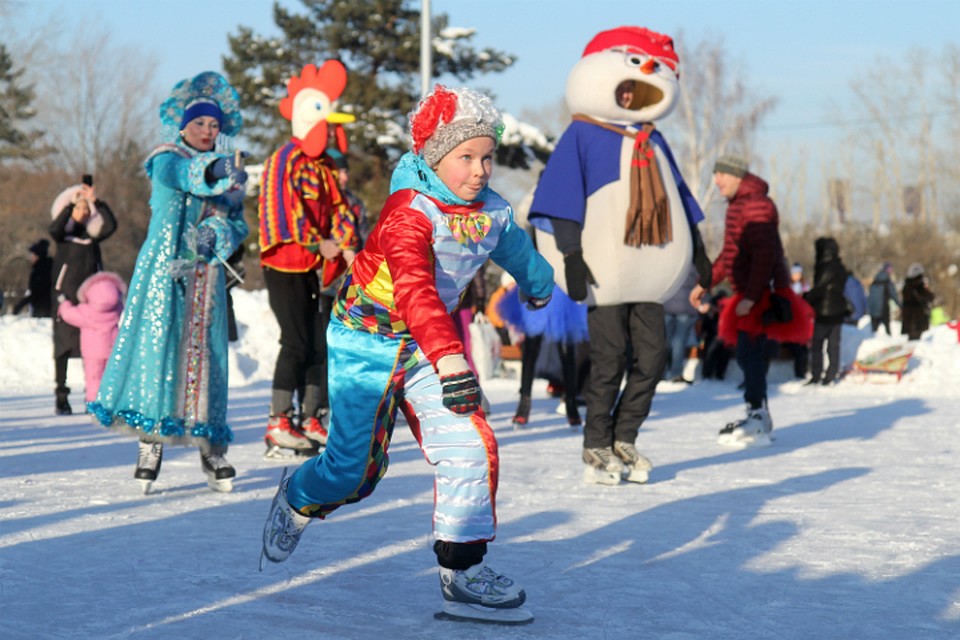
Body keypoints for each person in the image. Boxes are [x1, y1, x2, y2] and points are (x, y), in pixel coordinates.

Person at [261, 85, 552, 623]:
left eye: (487, 157)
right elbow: (415, 289)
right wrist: (451, 356)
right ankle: (298, 497)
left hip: (425, 348)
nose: (480, 170)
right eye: (466, 157)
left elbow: (513, 246)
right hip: (366, 341)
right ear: (434, 158)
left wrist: (540, 283)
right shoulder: (409, 213)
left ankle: (463, 572)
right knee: (354, 473)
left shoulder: (490, 210)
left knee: (470, 443)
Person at [528, 27, 712, 485]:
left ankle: (624, 435)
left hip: (650, 273)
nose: (630, 96)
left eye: (638, 89)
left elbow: (680, 202)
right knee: (608, 362)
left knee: (652, 359)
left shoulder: (653, 141)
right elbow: (562, 198)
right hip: (604, 274)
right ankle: (596, 443)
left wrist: (701, 255)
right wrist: (571, 255)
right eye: (625, 87)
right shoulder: (583, 135)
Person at [88, 71, 249, 494]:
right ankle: (150, 442)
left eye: (214, 125)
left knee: (209, 360)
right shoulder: (166, 158)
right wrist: (221, 169)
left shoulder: (230, 176)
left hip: (206, 277)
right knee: (157, 353)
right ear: (182, 126)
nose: (207, 131)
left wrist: (219, 233)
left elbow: (238, 223)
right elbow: (189, 175)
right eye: (199, 123)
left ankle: (211, 448)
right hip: (163, 275)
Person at [258, 62, 361, 458]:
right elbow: (284, 211)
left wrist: (347, 245)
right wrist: (319, 243)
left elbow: (340, 208)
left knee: (318, 344)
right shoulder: (285, 159)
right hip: (285, 264)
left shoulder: (324, 167)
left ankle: (311, 416)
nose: (330, 130)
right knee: (296, 341)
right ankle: (278, 418)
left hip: (313, 269)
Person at [690, 154, 813, 448]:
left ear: (737, 176)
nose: (716, 181)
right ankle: (758, 413)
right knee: (748, 354)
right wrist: (705, 283)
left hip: (761, 294)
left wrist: (751, 296)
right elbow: (730, 255)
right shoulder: (740, 204)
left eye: (721, 174)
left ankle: (758, 415)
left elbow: (764, 254)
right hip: (752, 293)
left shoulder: (756, 204)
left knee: (750, 352)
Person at [49, 181, 117, 415]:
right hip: (65, 300)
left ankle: (94, 396)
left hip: (91, 304)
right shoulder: (63, 238)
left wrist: (97, 202)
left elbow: (111, 226)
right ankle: (62, 396)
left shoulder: (93, 239)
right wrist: (70, 205)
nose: (83, 212)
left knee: (95, 351)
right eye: (79, 208)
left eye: (86, 209)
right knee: (63, 349)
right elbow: (54, 229)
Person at [55, 271, 126, 404]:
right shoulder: (116, 309)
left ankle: (94, 403)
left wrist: (64, 302)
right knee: (112, 378)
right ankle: (110, 402)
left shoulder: (87, 312)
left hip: (92, 352)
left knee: (94, 378)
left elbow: (68, 314)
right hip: (112, 349)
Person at [802, 237, 849, 385]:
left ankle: (817, 374)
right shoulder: (840, 267)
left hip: (824, 312)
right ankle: (831, 374)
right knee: (833, 346)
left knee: (817, 345)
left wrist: (806, 298)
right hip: (838, 311)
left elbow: (820, 288)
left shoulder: (825, 267)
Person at [662, 265, 700, 383]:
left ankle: (661, 371)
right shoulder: (692, 265)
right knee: (679, 341)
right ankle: (676, 373)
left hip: (667, 304)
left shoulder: (670, 263)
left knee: (665, 340)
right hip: (685, 306)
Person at [12, 239, 52, 318]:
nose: (31, 257)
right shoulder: (47, 267)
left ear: (38, 256)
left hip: (43, 307)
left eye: (32, 255)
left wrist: (20, 305)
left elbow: (37, 291)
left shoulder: (40, 270)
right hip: (45, 306)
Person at [783, 261, 810, 378]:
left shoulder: (804, 286)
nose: (797, 275)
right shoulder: (787, 286)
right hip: (790, 322)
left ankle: (802, 371)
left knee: (803, 349)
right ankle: (799, 372)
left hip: (801, 321)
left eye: (799, 273)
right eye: (795, 273)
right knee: (797, 348)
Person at [901, 262, 935, 341]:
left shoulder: (907, 285)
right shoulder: (919, 286)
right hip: (918, 317)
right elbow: (929, 297)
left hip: (908, 316)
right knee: (916, 339)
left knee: (912, 338)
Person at [867, 262, 900, 336]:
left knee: (874, 331)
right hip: (883, 308)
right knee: (887, 329)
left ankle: (872, 340)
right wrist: (900, 305)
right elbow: (893, 295)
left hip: (874, 309)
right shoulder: (887, 282)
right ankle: (889, 339)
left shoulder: (875, 280)